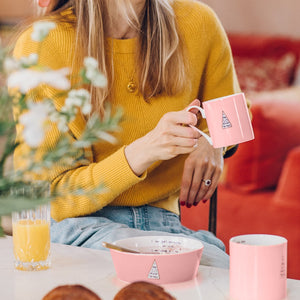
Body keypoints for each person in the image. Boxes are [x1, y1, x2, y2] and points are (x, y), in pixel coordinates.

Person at [13, 0, 244, 268]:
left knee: (227, 271)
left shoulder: (199, 21)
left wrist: (213, 141)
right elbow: (53, 196)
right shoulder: (43, 43)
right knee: (172, 268)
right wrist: (143, 151)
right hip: (77, 227)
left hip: (163, 227)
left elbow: (233, 114)